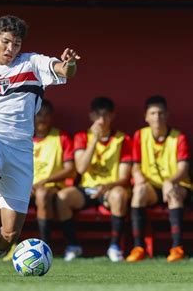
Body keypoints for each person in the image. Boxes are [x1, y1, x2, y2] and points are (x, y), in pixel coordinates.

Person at [0, 15, 79, 276]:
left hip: (21, 149)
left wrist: (69, 65)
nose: (10, 49)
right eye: (5, 42)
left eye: (16, 44)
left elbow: (63, 70)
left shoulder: (33, 63)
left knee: (10, 231)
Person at [56, 97, 132, 262]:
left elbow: (124, 177)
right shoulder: (82, 137)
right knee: (63, 198)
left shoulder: (123, 139)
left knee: (119, 195)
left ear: (112, 116)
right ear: (91, 116)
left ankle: (114, 246)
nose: (101, 120)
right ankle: (73, 246)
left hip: (110, 188)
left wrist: (107, 186)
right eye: (98, 115)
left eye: (106, 115)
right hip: (86, 188)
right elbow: (81, 168)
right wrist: (94, 140)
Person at [127, 95, 191, 263]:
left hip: (176, 185)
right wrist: (138, 177)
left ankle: (177, 248)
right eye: (153, 113)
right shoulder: (140, 135)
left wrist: (171, 181)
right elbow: (135, 165)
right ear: (146, 117)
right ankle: (138, 247)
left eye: (161, 113)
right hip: (151, 187)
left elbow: (184, 169)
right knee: (138, 191)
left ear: (167, 115)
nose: (157, 117)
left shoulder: (179, 137)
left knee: (174, 193)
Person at [31, 100, 75, 244]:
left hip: (52, 186)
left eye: (46, 115)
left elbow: (70, 170)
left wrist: (45, 181)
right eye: (39, 114)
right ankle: (11, 244)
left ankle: (45, 244)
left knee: (42, 193)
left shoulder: (61, 137)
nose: (42, 118)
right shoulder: (22, 138)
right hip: (26, 187)